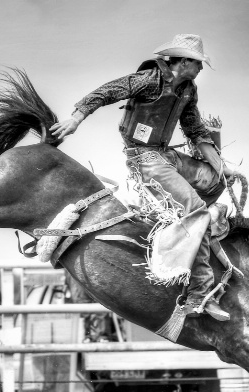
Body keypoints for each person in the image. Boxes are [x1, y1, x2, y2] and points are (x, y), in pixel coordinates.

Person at [50, 34, 236, 321]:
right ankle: (198, 294)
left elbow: (195, 130)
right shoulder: (149, 79)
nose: (201, 68)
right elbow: (106, 92)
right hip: (144, 158)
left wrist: (222, 168)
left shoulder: (188, 89)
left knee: (216, 181)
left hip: (164, 155)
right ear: (184, 61)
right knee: (196, 211)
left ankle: (182, 224)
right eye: (198, 63)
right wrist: (75, 118)